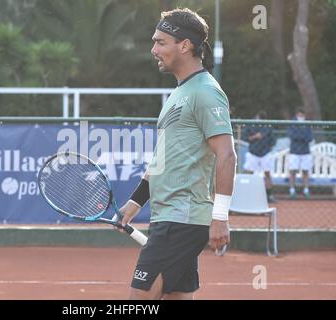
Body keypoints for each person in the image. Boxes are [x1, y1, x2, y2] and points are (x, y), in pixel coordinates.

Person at [117, 8, 236, 300]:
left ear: (185, 45)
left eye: (161, 42)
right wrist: (134, 204)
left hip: (181, 221)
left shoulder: (206, 91)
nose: (153, 49)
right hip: (170, 218)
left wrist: (220, 217)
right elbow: (161, 160)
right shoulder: (179, 94)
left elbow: (227, 154)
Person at [242, 110, 276, 203]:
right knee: (248, 173)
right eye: (258, 118)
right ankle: (245, 193)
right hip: (253, 153)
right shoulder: (251, 125)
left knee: (267, 173)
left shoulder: (267, 126)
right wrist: (255, 137)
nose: (258, 119)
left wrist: (267, 146)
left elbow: (273, 141)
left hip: (265, 153)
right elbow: (245, 138)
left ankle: (270, 195)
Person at [287, 108, 314, 199]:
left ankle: (306, 191)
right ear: (296, 115)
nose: (301, 117)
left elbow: (310, 137)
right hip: (294, 151)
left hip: (305, 151)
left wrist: (300, 136)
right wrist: (302, 136)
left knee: (305, 171)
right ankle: (292, 191)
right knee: (292, 171)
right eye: (299, 115)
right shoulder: (292, 123)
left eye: (302, 115)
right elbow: (292, 135)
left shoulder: (307, 123)